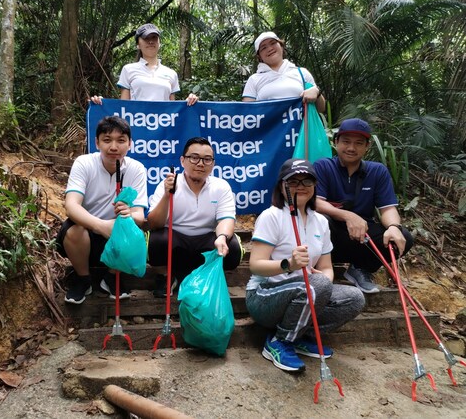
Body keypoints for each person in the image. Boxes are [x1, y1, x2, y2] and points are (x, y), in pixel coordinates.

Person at [246, 158, 365, 372]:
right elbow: (255, 265)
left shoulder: (320, 221)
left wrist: (323, 283)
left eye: (306, 181)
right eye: (293, 181)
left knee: (354, 298)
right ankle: (279, 342)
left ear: (314, 187)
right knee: (314, 285)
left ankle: (299, 334)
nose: (300, 186)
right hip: (264, 296)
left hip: (305, 291)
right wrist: (288, 264)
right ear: (281, 186)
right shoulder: (271, 216)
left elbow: (326, 268)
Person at [313, 118, 414, 293]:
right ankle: (318, 270)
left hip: (362, 237)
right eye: (346, 141)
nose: (351, 148)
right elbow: (315, 202)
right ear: (336, 142)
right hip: (331, 237)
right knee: (320, 221)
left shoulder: (377, 171)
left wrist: (393, 227)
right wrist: (348, 216)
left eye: (359, 143)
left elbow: (388, 208)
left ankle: (361, 269)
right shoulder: (323, 166)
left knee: (402, 236)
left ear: (367, 147)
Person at [56, 116, 148, 304]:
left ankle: (112, 277)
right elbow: (71, 205)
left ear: (130, 144)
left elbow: (140, 215)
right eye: (107, 140)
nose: (114, 147)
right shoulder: (84, 163)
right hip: (86, 236)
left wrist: (128, 213)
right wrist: (101, 226)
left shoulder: (136, 169)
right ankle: (83, 279)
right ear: (97, 142)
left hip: (116, 234)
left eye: (121, 140)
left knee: (134, 231)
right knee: (74, 231)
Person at [146, 137, 243, 297]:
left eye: (207, 159)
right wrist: (166, 195)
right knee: (155, 241)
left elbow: (226, 219)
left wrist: (222, 237)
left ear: (213, 164)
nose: (200, 163)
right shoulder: (169, 184)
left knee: (232, 247)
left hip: (206, 242)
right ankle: (166, 277)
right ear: (183, 161)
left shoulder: (221, 186)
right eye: (194, 158)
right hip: (176, 241)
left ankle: (206, 277)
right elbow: (155, 224)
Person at [91, 23, 198, 105]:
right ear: (138, 44)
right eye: (146, 38)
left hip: (164, 130)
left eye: (154, 38)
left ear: (159, 43)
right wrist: (101, 104)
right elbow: (123, 106)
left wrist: (188, 102)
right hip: (137, 129)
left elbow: (173, 108)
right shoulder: (128, 69)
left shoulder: (171, 73)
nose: (151, 42)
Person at [242, 31, 325, 113]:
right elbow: (247, 114)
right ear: (259, 56)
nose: (270, 48)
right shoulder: (253, 80)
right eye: (263, 48)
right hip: (270, 127)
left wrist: (316, 92)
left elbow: (321, 109)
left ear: (281, 46)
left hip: (303, 126)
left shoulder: (302, 73)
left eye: (273, 43)